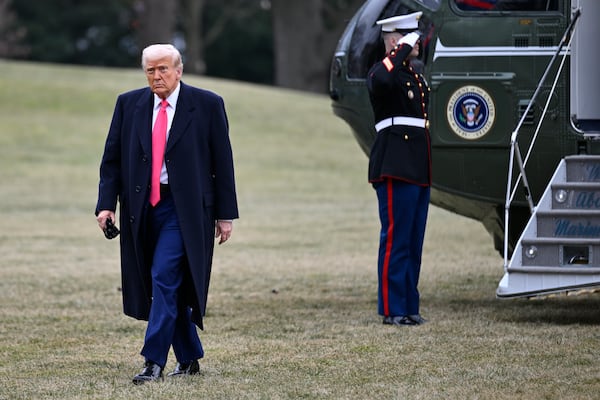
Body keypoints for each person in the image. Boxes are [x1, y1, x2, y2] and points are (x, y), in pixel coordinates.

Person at [95, 44, 239, 383]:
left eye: (163, 69)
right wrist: (105, 204)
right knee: (158, 284)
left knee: (163, 276)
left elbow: (223, 161)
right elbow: (111, 159)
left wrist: (225, 214)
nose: (157, 76)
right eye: (150, 70)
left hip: (185, 210)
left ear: (179, 70)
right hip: (141, 209)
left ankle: (153, 361)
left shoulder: (207, 104)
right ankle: (188, 357)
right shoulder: (128, 104)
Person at [366, 12, 431, 326]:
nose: (416, 44)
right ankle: (393, 309)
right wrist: (400, 49)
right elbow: (381, 79)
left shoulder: (413, 76)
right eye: (410, 38)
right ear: (395, 41)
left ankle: (409, 304)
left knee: (413, 239)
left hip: (416, 164)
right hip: (394, 163)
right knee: (396, 239)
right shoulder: (384, 71)